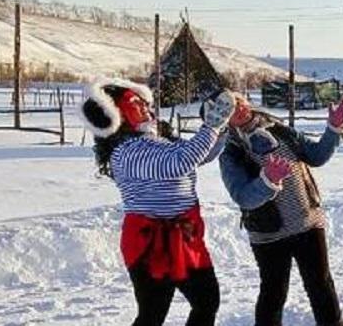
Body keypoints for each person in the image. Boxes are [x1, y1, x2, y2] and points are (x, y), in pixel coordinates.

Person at [80, 79, 236, 326]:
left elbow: (199, 154)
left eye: (144, 102)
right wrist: (212, 125)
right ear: (115, 114)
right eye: (135, 103)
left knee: (207, 301)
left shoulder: (156, 140)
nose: (145, 107)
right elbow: (180, 162)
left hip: (184, 236)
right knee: (153, 314)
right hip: (149, 242)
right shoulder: (126, 151)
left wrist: (220, 128)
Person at [218, 93, 343, 326]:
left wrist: (333, 128)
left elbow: (316, 156)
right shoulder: (232, 152)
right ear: (224, 118)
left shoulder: (278, 129)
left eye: (239, 101)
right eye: (230, 107)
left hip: (307, 223)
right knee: (274, 292)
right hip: (268, 234)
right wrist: (267, 181)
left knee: (321, 285)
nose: (238, 107)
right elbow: (243, 197)